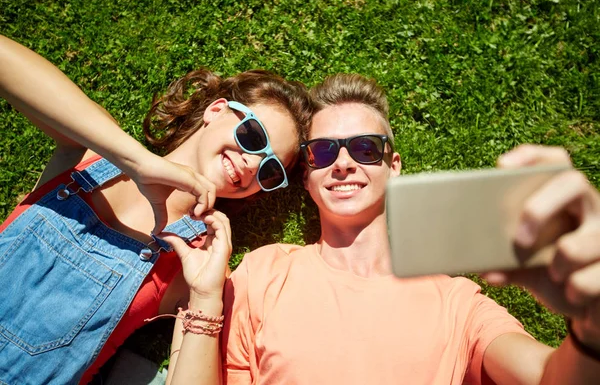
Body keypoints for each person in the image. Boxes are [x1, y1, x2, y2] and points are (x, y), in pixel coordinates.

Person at [165, 73, 600, 384]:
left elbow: (547, 376)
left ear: (394, 167)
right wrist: (204, 298)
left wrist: (592, 326)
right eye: (322, 152)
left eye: (365, 148)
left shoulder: (457, 303)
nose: (344, 163)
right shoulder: (263, 274)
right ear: (307, 176)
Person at [0, 35, 313, 385]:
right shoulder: (89, 153)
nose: (252, 163)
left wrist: (206, 297)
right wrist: (137, 162)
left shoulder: (197, 262)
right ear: (216, 110)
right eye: (253, 136)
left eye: (271, 170)